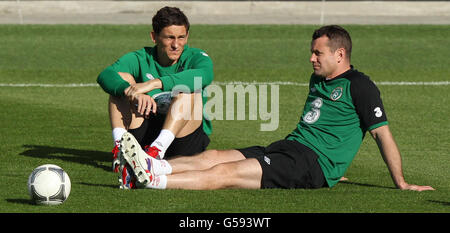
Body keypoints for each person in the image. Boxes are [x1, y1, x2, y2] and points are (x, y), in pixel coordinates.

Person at [117, 25, 434, 192]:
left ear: (340, 55)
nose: (311, 58)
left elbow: (382, 135)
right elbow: (332, 128)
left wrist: (402, 183)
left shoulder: (360, 86)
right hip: (291, 147)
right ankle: (148, 165)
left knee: (226, 173)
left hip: (309, 165)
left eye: (317, 53)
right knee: (213, 157)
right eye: (311, 52)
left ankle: (153, 180)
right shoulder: (318, 78)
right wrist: (338, 170)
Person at [96, 6, 213, 174]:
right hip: (147, 133)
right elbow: (105, 75)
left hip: (184, 138)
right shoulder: (141, 57)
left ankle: (158, 150)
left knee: (187, 88)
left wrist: (154, 83)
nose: (176, 44)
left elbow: (205, 75)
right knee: (122, 81)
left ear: (187, 36)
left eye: (181, 37)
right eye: (169, 37)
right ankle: (121, 150)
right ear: (154, 37)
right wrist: (131, 91)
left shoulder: (196, 57)